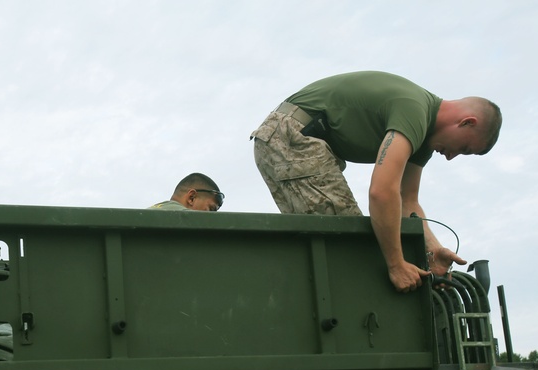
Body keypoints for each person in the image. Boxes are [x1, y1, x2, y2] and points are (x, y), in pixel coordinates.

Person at [250, 71, 501, 292]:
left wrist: (433, 250)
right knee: (353, 246)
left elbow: (407, 200)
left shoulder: (424, 139)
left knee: (339, 249)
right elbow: (382, 192)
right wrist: (396, 265)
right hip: (291, 135)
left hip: (290, 139)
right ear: (467, 122)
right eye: (464, 148)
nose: (450, 157)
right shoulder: (415, 110)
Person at [149, 173, 224, 211]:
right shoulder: (185, 218)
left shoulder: (148, 213)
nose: (213, 217)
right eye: (211, 209)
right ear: (191, 198)